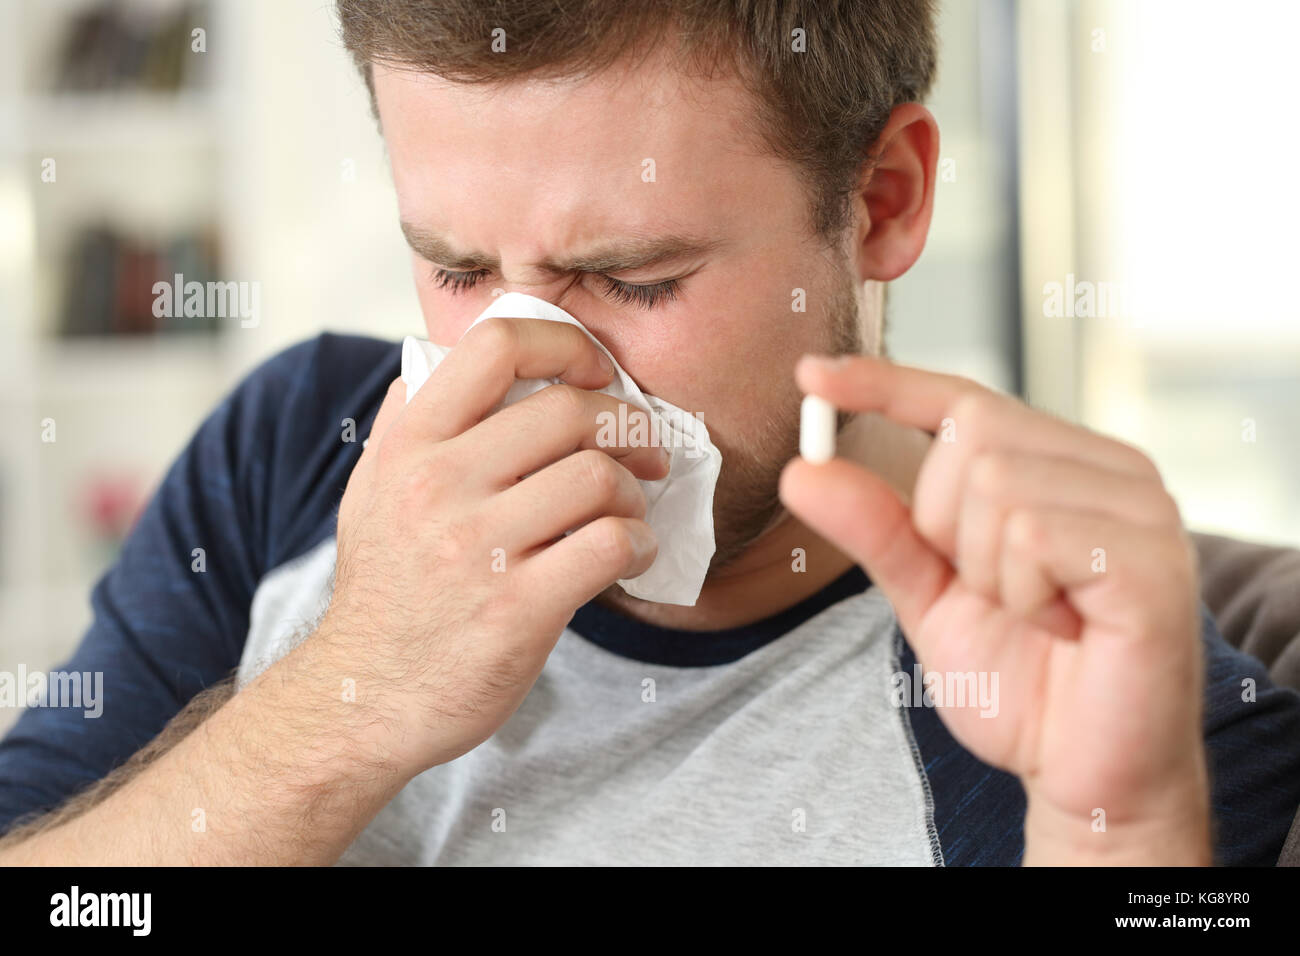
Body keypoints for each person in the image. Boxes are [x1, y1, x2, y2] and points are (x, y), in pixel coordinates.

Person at [2, 0, 1297, 865]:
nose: (524, 359)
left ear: (885, 201)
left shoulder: (1108, 711)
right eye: (453, 268)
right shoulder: (295, 452)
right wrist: (352, 705)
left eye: (633, 280)